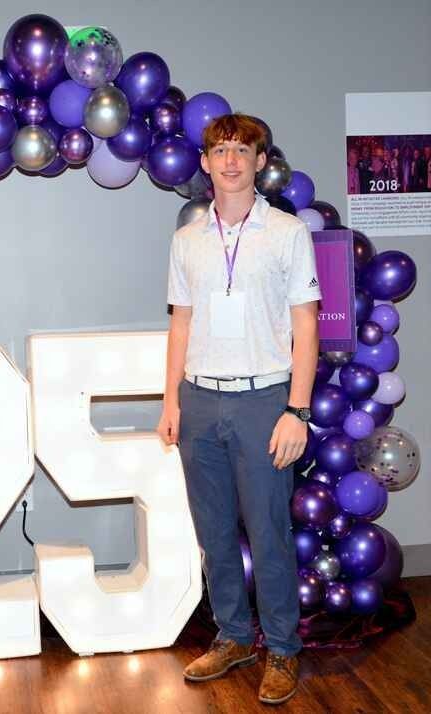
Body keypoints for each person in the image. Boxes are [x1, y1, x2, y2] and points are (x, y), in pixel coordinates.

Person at [157, 114, 320, 705]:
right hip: (199, 401)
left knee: (269, 533)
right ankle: (232, 636)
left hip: (263, 401)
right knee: (215, 533)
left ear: (259, 161)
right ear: (205, 163)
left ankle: (281, 646)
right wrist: (171, 399)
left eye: (242, 150)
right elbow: (181, 322)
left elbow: (306, 322)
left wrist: (295, 411)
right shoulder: (186, 241)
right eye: (220, 150)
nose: (230, 160)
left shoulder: (287, 233)